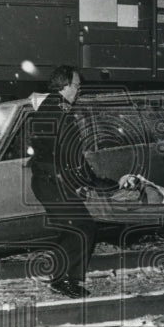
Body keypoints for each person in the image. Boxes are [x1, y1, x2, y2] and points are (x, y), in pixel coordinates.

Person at [26, 66, 113, 298]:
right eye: (76, 85)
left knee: (73, 228)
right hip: (52, 182)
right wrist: (86, 181)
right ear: (63, 85)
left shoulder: (54, 108)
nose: (78, 90)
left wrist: (89, 180)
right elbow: (65, 154)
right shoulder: (56, 112)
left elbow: (69, 155)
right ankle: (64, 280)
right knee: (82, 227)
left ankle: (61, 277)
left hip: (50, 181)